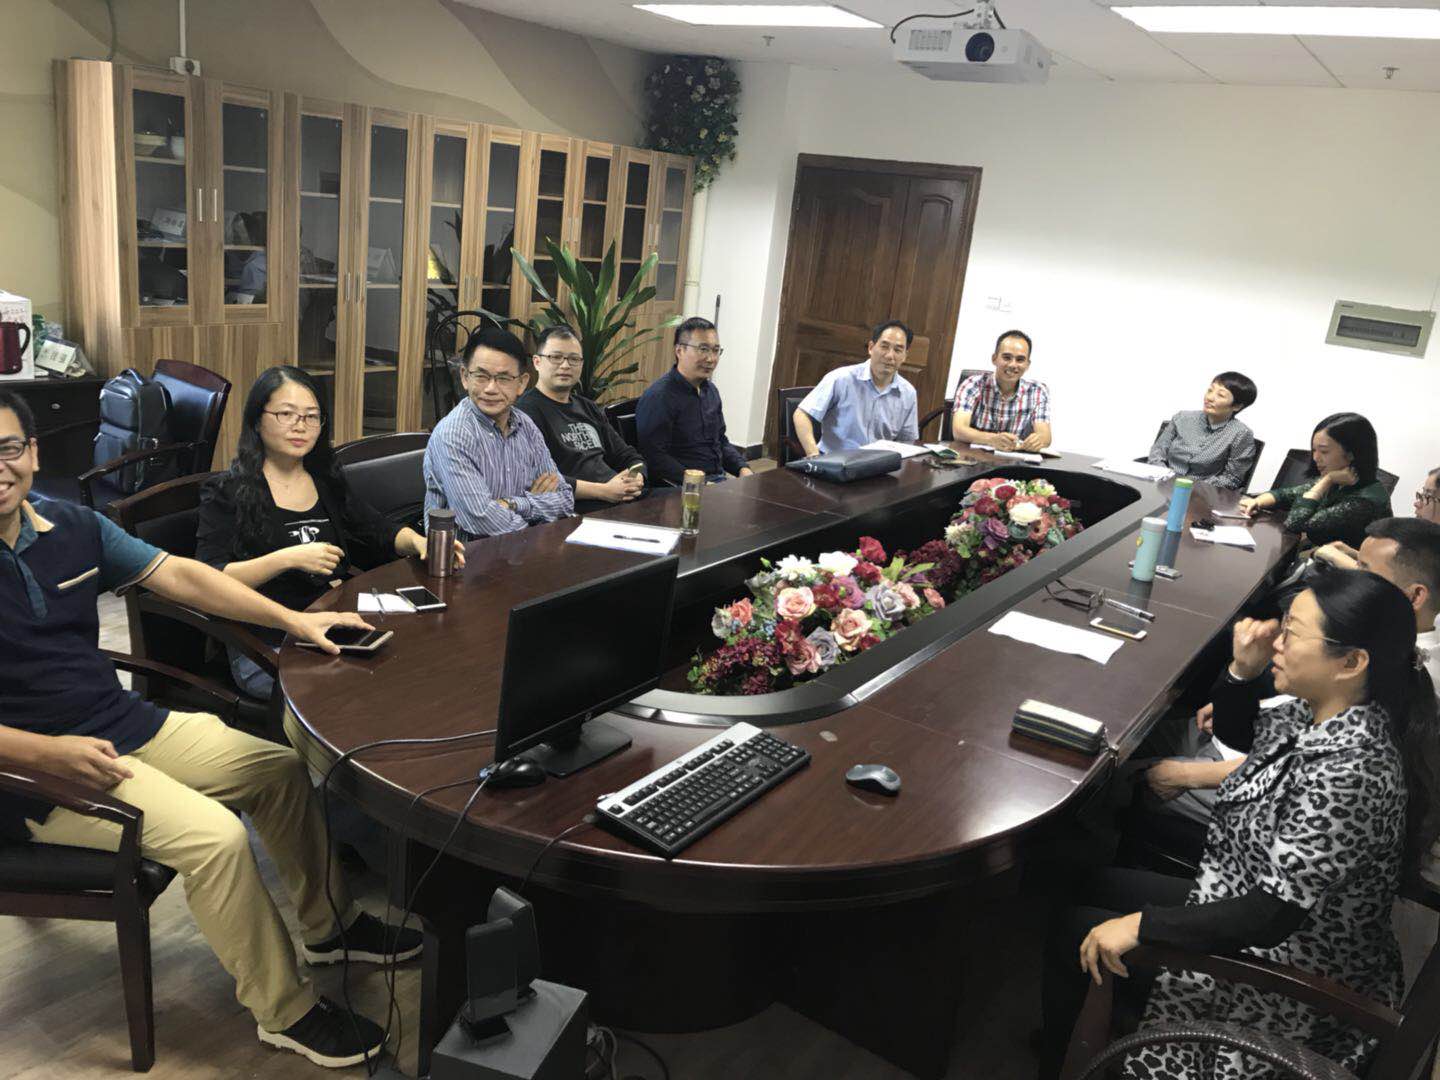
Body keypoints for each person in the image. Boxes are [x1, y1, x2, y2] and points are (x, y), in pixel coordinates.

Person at [0, 389, 418, 1068]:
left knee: (280, 771)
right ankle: (285, 1011)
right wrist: (46, 753)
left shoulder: (71, 525)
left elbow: (183, 577)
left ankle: (332, 929)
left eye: (9, 449)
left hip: (118, 723)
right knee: (217, 840)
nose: (1, 468)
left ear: (33, 452)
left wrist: (296, 621)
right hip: (30, 774)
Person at [1041, 571, 1438, 1079]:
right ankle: (1072, 1037)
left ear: (1351, 662)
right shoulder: (1330, 713)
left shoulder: (1352, 771)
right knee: (1089, 883)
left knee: (1076, 932)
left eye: (1292, 632)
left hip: (1287, 975)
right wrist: (1243, 672)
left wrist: (1142, 927)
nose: (1277, 641)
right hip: (1249, 901)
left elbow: (1269, 917)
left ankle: (1070, 1061)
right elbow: (1244, 746)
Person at [1139, 516, 1440, 853]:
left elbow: (1296, 763)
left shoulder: (1398, 670)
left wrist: (1186, 774)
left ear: (1415, 596)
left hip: (1266, 792)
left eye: (1364, 570)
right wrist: (1242, 690)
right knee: (1145, 738)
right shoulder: (1382, 642)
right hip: (1253, 746)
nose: (1351, 577)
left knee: (1129, 778)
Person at [198, 366, 463, 700]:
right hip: (266, 641)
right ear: (257, 419)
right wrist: (287, 559)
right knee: (361, 693)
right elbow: (209, 578)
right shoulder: (226, 491)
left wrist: (419, 542)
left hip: (333, 624)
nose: (300, 426)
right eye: (286, 414)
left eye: (311, 417)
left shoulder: (324, 478)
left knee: (419, 664)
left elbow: (375, 528)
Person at [424, 326, 573, 540]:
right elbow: (480, 519)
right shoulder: (454, 434)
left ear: (521, 383)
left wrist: (513, 503)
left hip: (526, 551)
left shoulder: (526, 426)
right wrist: (535, 516)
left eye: (503, 378)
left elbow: (565, 499)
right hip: (467, 556)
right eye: (481, 376)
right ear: (465, 377)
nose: (491, 389)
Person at [514, 324, 646, 513]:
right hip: (580, 509)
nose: (565, 365)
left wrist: (637, 476)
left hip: (622, 499)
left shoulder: (588, 407)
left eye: (574, 359)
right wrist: (604, 491)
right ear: (537, 362)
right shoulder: (525, 412)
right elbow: (540, 479)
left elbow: (628, 456)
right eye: (556, 357)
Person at [1239, 412, 1391, 548]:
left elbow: (1295, 523)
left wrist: (1327, 480)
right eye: (1314, 450)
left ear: (1352, 454)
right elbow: (1286, 494)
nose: (1315, 458)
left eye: (1324, 451)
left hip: (1345, 567)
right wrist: (1257, 502)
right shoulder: (1341, 479)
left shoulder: (1364, 501)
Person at [635, 316, 753, 484]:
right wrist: (698, 483)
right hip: (680, 487)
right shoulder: (659, 396)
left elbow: (720, 441)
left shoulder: (711, 391)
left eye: (715, 350)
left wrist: (742, 468)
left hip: (716, 481)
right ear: (679, 351)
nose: (711, 359)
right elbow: (654, 456)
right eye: (703, 349)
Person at [792, 320, 920, 456]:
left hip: (878, 464)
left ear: (905, 356)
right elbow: (801, 414)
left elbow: (906, 441)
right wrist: (814, 456)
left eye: (898, 350)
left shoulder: (908, 393)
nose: (890, 356)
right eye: (884, 347)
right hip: (834, 460)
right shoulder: (841, 378)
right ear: (871, 347)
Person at [1146, 371, 1259, 490]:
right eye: (1210, 390)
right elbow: (1157, 453)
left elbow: (1231, 478)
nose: (1209, 398)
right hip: (1163, 485)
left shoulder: (1240, 434)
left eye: (1220, 395)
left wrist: (1192, 487)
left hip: (1203, 493)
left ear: (1237, 406)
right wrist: (1165, 477)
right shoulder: (1182, 418)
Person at [950, 329, 1051, 452]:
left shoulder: (1038, 391)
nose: (1013, 365)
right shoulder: (973, 385)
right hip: (971, 457)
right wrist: (992, 439)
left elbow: (1045, 436)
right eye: (1007, 357)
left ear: (1027, 364)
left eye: (1020, 360)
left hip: (1013, 459)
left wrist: (1038, 440)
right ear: (994, 359)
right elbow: (959, 430)